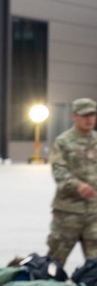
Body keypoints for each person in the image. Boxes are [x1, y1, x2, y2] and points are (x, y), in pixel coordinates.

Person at [46, 97, 97, 267]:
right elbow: (59, 171)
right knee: (54, 263)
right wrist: (77, 186)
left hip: (94, 214)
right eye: (84, 115)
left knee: (95, 266)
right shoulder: (63, 142)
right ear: (74, 116)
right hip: (68, 213)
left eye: (92, 115)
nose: (89, 119)